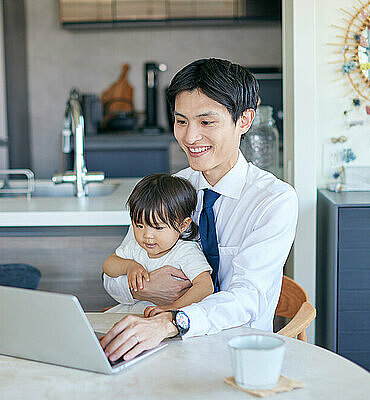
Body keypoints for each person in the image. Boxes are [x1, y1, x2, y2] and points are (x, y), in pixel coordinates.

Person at [100, 58, 298, 363]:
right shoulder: (170, 190)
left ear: (244, 121)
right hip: (162, 348)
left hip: (236, 351)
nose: (190, 137)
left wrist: (172, 320)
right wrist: (144, 288)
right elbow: (113, 277)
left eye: (206, 122)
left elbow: (247, 298)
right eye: (181, 121)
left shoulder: (273, 200)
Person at [102, 173, 214, 317]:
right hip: (132, 314)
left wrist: (173, 308)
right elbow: (108, 265)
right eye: (139, 225)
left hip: (163, 320)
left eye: (158, 228)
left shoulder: (185, 251)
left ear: (183, 225)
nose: (147, 235)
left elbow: (205, 287)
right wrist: (128, 266)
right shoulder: (135, 247)